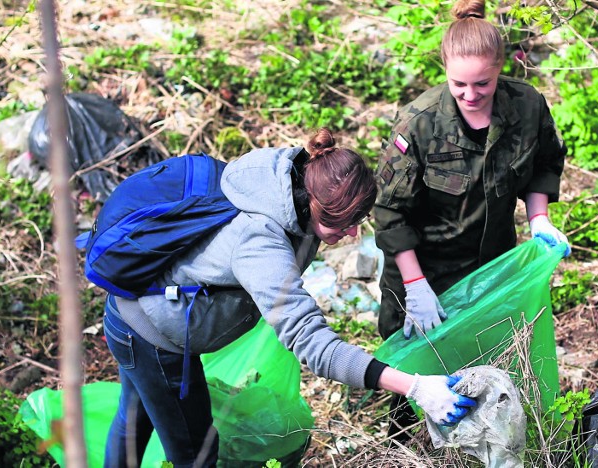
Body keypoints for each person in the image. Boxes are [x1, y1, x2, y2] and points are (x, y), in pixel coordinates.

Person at [102, 128, 477, 467]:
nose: (349, 234)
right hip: (150, 334)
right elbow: (313, 345)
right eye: (339, 223)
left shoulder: (295, 174)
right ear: (312, 203)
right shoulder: (260, 241)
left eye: (357, 222)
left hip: (138, 309)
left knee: (133, 418)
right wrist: (414, 386)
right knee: (195, 454)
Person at [374, 0, 570, 343]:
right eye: (458, 84)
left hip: (492, 264)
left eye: (483, 83)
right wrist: (415, 285)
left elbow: (545, 162)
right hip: (424, 268)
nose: (470, 95)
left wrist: (539, 218)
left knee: (488, 357)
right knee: (417, 370)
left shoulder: (526, 106)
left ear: (500, 68)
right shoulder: (419, 124)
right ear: (445, 69)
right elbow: (390, 211)